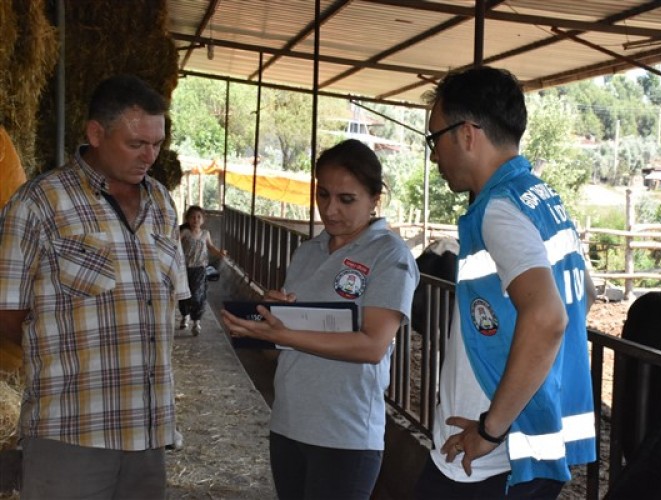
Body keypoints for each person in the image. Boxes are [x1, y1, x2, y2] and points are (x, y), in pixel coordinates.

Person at [0, 74, 189, 499]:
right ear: (96, 133)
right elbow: (9, 315)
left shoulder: (161, 203)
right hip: (72, 431)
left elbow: (167, 305)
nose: (150, 156)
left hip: (148, 434)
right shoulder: (39, 203)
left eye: (157, 144)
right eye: (137, 143)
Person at [413, 66, 597, 499]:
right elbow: (582, 296)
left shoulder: (498, 211)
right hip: (528, 449)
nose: (434, 154)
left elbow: (549, 318)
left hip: (483, 459)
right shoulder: (539, 198)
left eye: (434, 138)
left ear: (468, 134)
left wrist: (491, 429)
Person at [221, 139, 419, 500]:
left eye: (347, 199)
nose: (330, 210)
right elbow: (283, 343)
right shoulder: (307, 251)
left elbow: (373, 345)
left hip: (345, 433)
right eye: (323, 194)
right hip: (290, 422)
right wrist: (268, 317)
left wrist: (289, 333)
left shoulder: (391, 256)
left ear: (375, 199)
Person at [178, 204, 227, 335]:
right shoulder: (184, 233)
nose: (196, 219)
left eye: (199, 217)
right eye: (193, 217)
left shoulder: (205, 234)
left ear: (203, 220)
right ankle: (185, 316)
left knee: (197, 295)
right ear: (187, 219)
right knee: (183, 294)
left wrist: (220, 253)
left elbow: (210, 247)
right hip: (184, 269)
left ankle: (196, 322)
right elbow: (175, 244)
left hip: (199, 269)